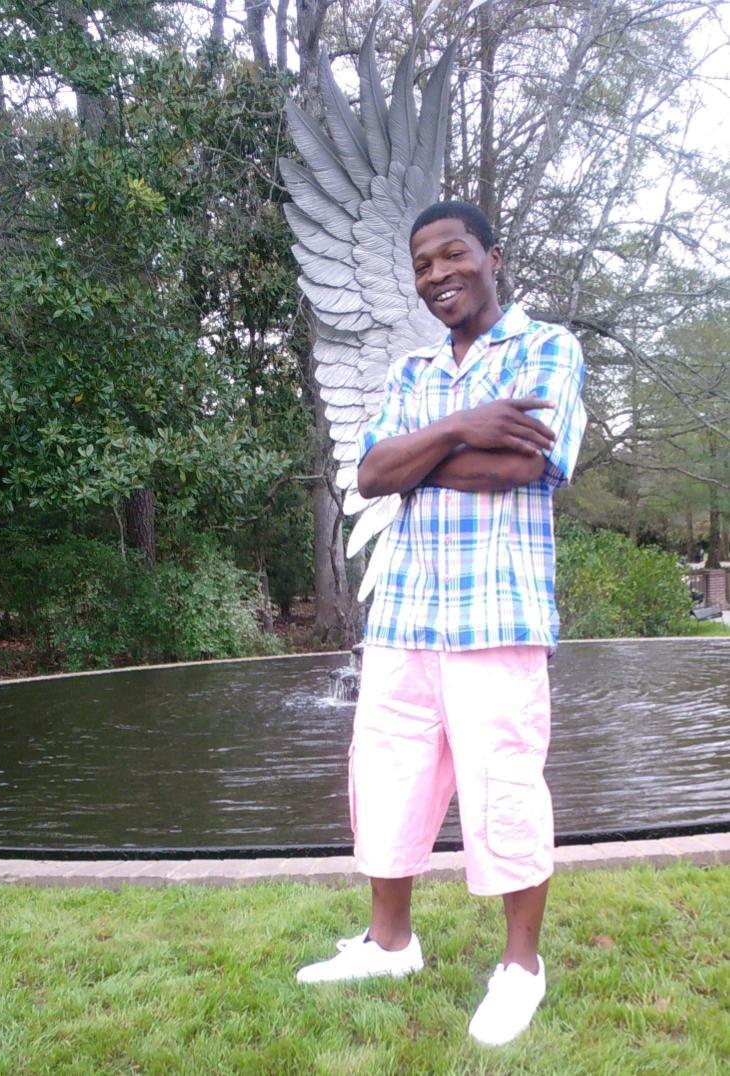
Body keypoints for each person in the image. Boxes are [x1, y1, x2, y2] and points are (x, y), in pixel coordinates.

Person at [296, 201, 586, 1047]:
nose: (437, 275)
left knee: (506, 789)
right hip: (404, 616)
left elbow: (524, 462)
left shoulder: (545, 348)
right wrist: (462, 425)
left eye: (452, 254)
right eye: (422, 264)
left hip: (498, 613)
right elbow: (373, 474)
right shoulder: (412, 370)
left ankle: (521, 968)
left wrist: (423, 457)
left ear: (494, 256)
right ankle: (390, 944)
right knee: (386, 780)